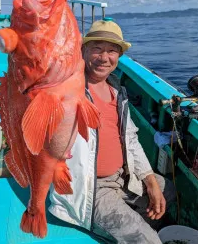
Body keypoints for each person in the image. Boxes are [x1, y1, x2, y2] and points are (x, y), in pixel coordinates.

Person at [49, 18, 176, 244]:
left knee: (167, 190)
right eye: (96, 49)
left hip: (123, 177)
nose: (104, 58)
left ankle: (132, 229)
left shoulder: (117, 92)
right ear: (83, 51)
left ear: (119, 56)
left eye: (111, 51)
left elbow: (130, 139)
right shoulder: (67, 88)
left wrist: (150, 181)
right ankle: (132, 233)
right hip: (91, 187)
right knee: (148, 241)